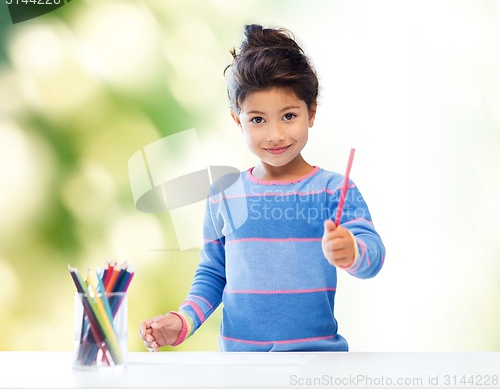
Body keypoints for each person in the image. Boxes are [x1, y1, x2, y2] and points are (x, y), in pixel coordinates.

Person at [139, 24, 385, 352]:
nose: (275, 135)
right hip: (241, 366)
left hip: (316, 362)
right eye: (257, 119)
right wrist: (184, 320)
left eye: (288, 116)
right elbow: (213, 273)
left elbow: (373, 255)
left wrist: (353, 251)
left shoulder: (333, 190)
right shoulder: (223, 195)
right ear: (236, 120)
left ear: (311, 113)